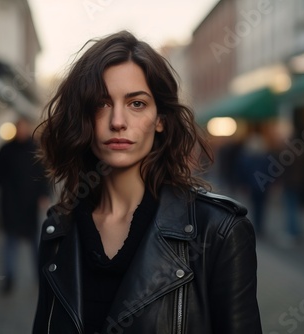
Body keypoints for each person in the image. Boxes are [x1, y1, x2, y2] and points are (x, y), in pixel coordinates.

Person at [32, 31, 262, 334]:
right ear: (83, 117)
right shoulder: (58, 228)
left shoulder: (218, 232)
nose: (117, 121)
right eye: (101, 104)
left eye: (136, 103)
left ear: (161, 119)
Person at [0, 116, 50, 293]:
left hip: (30, 205)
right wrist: (6, 189)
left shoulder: (36, 150)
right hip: (10, 204)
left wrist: (44, 195)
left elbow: (44, 174)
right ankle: (9, 278)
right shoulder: (6, 149)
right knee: (10, 242)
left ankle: (40, 278)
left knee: (35, 243)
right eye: (19, 127)